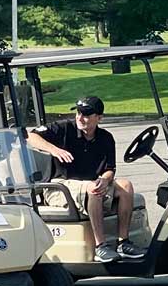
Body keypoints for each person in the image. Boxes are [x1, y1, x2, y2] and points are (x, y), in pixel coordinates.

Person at [27, 96, 141, 263]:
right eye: (79, 113)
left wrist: (105, 179)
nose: (80, 118)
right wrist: (54, 150)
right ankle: (100, 246)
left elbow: (110, 169)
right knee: (93, 188)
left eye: (86, 115)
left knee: (125, 185)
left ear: (99, 118)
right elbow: (30, 136)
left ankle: (123, 242)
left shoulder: (106, 138)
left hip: (90, 184)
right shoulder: (64, 128)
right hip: (60, 187)